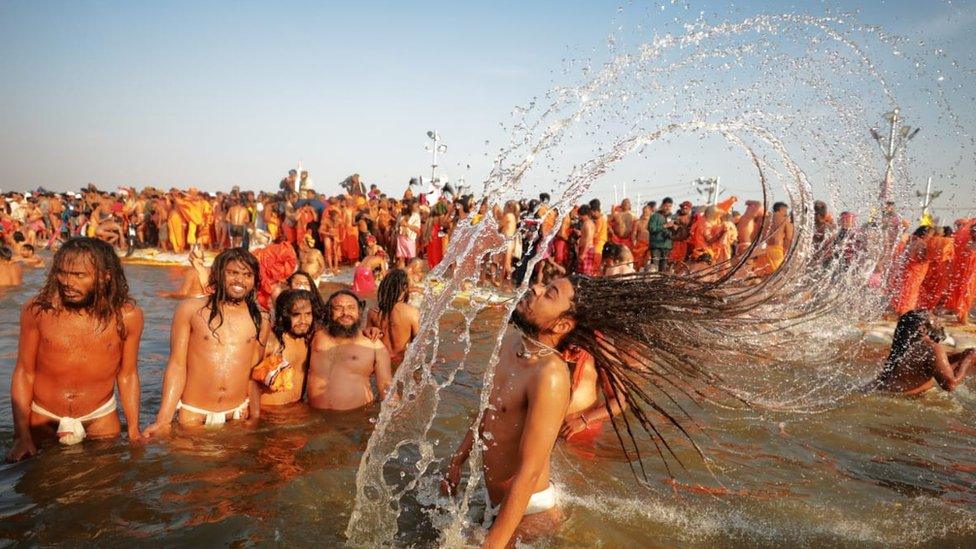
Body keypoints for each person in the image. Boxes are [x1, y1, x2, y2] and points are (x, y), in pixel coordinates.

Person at [7, 238, 143, 460]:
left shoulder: (127, 316)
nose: (68, 282)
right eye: (62, 273)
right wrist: (21, 436)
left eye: (80, 275)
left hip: (100, 417)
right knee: (38, 487)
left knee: (107, 485)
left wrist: (134, 430)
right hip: (44, 416)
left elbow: (127, 375)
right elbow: (24, 372)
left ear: (105, 275)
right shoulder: (38, 310)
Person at [144, 248, 267, 434]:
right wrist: (163, 420)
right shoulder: (190, 309)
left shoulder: (261, 319)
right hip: (193, 414)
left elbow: (254, 372)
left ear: (254, 280)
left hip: (236, 415)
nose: (240, 280)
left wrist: (255, 415)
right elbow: (177, 365)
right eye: (233, 273)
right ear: (218, 274)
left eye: (247, 275)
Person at [306, 290, 392, 410]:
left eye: (351, 308)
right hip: (313, 417)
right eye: (338, 308)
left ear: (359, 312)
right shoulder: (316, 336)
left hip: (354, 420)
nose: (345, 313)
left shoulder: (374, 345)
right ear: (330, 312)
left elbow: (386, 386)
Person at [870, 310, 973, 394]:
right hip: (895, 400)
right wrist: (968, 358)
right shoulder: (932, 346)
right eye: (935, 321)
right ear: (922, 328)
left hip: (876, 392)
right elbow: (950, 384)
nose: (940, 323)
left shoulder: (907, 345)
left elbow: (934, 365)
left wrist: (961, 356)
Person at [254, 289, 315, 408]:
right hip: (269, 412)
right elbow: (247, 379)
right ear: (284, 315)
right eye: (296, 314)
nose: (303, 321)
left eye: (308, 314)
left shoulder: (309, 341)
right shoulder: (272, 341)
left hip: (296, 410)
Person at [367, 269, 419, 369]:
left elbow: (368, 342)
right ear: (404, 288)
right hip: (401, 365)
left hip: (379, 363)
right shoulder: (412, 312)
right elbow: (418, 346)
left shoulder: (372, 312)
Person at [890, 227, 931, 316]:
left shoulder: (913, 241)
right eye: (930, 234)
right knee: (910, 292)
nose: (931, 237)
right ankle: (904, 313)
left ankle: (900, 310)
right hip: (914, 272)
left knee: (905, 290)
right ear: (924, 234)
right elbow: (919, 258)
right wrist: (929, 258)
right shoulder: (921, 244)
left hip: (909, 270)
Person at [945, 221, 976, 325]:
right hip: (969, 276)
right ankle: (963, 319)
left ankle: (962, 317)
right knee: (966, 295)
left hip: (968, 275)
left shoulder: (969, 244)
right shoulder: (971, 245)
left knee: (966, 295)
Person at [751, 202, 793, 277]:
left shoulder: (766, 220)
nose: (786, 213)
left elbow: (756, 235)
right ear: (781, 209)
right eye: (785, 211)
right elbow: (789, 238)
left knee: (764, 277)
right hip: (776, 250)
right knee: (777, 277)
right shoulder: (785, 220)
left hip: (764, 251)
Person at [648, 198, 674, 272]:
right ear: (662, 205)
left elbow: (674, 232)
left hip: (667, 246)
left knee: (664, 268)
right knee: (654, 267)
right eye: (666, 206)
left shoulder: (672, 217)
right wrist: (665, 226)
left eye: (670, 206)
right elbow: (651, 229)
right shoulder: (655, 216)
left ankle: (661, 283)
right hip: (656, 246)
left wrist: (675, 228)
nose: (667, 208)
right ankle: (653, 282)